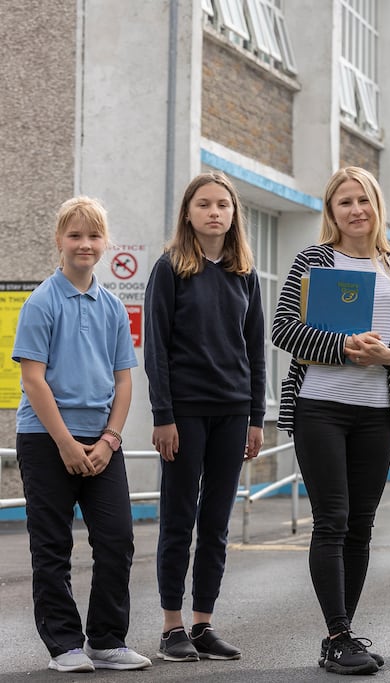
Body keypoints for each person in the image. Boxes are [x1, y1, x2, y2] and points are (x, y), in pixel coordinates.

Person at [272, 166, 390, 675]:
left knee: (361, 526)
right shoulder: (313, 259)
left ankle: (342, 637)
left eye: (363, 200)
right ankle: (338, 635)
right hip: (320, 406)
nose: (356, 209)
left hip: (376, 415)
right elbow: (284, 329)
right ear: (331, 211)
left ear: (377, 206)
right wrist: (341, 346)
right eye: (344, 202)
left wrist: (388, 355)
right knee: (332, 521)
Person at [13, 197, 151, 673]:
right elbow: (33, 379)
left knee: (117, 540)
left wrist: (111, 438)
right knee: (52, 545)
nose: (85, 244)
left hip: (102, 440)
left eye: (94, 236)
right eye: (75, 235)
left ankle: (107, 640)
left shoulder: (113, 306)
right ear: (60, 241)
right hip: (46, 438)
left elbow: (124, 380)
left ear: (104, 243)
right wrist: (66, 444)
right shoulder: (41, 302)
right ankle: (65, 646)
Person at [144, 172, 266, 662]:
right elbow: (156, 349)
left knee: (216, 522)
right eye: (204, 204)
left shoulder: (245, 273)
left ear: (234, 214)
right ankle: (171, 626)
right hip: (185, 413)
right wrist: (163, 415)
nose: (214, 212)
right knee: (179, 517)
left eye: (223, 205)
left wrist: (257, 417)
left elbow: (255, 351)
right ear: (188, 213)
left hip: (233, 411)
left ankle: (203, 624)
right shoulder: (170, 267)